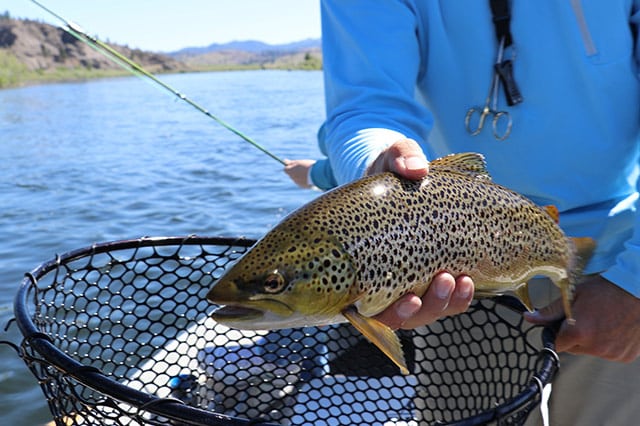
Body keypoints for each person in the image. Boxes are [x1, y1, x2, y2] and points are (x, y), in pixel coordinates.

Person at [284, 1, 640, 425]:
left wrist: (634, 280)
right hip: (447, 272)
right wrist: (376, 161)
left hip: (621, 250)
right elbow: (365, 104)